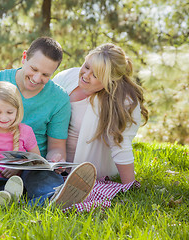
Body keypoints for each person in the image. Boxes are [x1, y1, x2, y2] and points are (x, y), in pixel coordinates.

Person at [0, 36, 96, 207]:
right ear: (24, 57)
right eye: (34, 69)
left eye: (45, 75)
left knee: (44, 177)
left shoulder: (58, 99)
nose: (37, 79)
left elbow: (56, 146)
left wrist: (55, 159)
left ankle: (53, 198)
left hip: (29, 169)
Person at [52, 43, 149, 184]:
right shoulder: (68, 77)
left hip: (84, 171)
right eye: (86, 66)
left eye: (95, 75)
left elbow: (120, 144)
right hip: (52, 160)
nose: (85, 75)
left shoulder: (120, 102)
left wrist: (130, 185)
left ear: (110, 81)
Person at [0, 81, 41, 191]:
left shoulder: (25, 131)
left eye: (10, 112)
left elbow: (37, 160)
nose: (4, 118)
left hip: (15, 180)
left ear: (17, 110)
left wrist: (18, 168)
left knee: (36, 175)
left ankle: (10, 194)